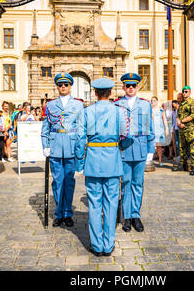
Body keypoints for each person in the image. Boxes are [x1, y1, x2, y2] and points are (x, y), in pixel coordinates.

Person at [75, 78, 131, 256]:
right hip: (113, 161)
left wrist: (79, 161)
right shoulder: (119, 112)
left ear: (95, 93)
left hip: (93, 159)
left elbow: (79, 139)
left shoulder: (86, 111)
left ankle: (97, 245)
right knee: (111, 203)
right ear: (110, 93)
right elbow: (125, 135)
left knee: (94, 203)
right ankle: (108, 244)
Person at [41, 73, 84, 227]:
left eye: (66, 84)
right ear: (57, 87)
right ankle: (59, 213)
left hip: (71, 146)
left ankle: (67, 213)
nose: (63, 87)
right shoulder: (50, 105)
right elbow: (45, 128)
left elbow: (81, 129)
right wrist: (45, 145)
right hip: (55, 146)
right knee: (58, 181)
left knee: (69, 181)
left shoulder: (78, 105)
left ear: (70, 86)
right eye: (61, 84)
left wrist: (80, 149)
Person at [114, 73, 155, 233]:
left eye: (133, 86)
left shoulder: (145, 105)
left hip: (140, 148)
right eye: (128, 86)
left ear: (138, 87)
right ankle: (127, 217)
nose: (131, 88)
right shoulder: (117, 105)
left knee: (138, 183)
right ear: (124, 87)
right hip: (123, 149)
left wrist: (151, 150)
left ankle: (136, 215)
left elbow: (150, 128)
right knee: (125, 184)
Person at [177, 86, 194, 175]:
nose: (184, 93)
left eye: (186, 91)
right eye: (183, 92)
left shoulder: (192, 102)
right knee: (182, 148)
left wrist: (182, 121)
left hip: (190, 129)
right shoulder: (181, 104)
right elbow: (178, 115)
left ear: (189, 92)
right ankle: (184, 165)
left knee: (193, 148)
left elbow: (193, 115)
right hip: (182, 129)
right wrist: (179, 122)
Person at [151, 96, 168, 166]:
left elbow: (164, 120)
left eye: (154, 100)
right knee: (151, 146)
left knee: (159, 146)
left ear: (157, 101)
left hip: (159, 130)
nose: (153, 102)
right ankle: (150, 161)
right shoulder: (150, 110)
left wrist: (166, 128)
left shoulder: (161, 110)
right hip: (152, 130)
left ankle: (160, 160)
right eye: (151, 101)